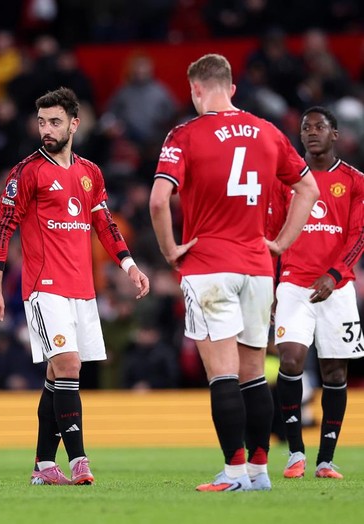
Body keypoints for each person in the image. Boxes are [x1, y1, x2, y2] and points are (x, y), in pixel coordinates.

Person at [149, 53, 320, 492]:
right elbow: (308, 188)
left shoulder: (185, 134)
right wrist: (280, 243)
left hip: (209, 267)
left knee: (222, 374)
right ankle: (260, 472)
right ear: (233, 88)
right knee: (253, 374)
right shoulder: (267, 132)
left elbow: (157, 200)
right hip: (259, 267)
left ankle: (233, 472)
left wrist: (170, 250)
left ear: (195, 90)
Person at [0, 87, 150, 486]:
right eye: (41, 122)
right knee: (69, 365)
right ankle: (79, 462)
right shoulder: (27, 172)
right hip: (43, 287)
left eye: (55, 121)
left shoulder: (90, 172)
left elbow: (104, 225)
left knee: (59, 376)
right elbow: (3, 228)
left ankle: (43, 465)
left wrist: (129, 266)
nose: (47, 129)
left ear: (75, 124)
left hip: (82, 289)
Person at [269, 106, 364, 480]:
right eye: (306, 127)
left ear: (335, 134)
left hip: (337, 289)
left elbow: (359, 236)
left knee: (335, 370)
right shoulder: (286, 181)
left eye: (319, 127)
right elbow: (273, 233)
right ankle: (295, 452)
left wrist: (336, 273)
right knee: (290, 360)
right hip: (293, 284)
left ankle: (326, 459)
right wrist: (272, 284)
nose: (311, 132)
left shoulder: (355, 181)